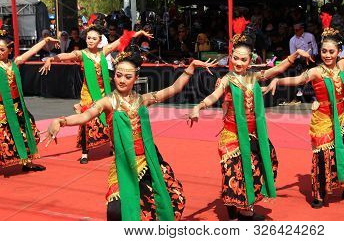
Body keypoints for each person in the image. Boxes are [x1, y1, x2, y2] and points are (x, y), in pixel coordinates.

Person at [44, 42, 217, 221]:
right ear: (113, 77)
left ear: (136, 78)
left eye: (128, 76)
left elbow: (173, 89)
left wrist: (191, 67)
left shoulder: (142, 100)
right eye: (119, 75)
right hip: (124, 164)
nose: (122, 80)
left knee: (166, 201)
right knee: (117, 210)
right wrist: (61, 121)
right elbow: (86, 116)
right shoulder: (107, 102)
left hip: (147, 160)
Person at [188, 17, 313, 220]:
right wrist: (199, 106)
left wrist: (296, 54)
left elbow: (277, 70)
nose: (238, 62)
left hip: (253, 134)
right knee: (237, 169)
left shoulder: (253, 77)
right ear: (231, 57)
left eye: (243, 59)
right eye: (235, 58)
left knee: (266, 161)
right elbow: (214, 96)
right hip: (232, 135)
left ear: (250, 60)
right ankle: (244, 209)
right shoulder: (227, 79)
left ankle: (236, 202)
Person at [264, 12, 344, 208]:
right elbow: (297, 80)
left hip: (343, 118)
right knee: (324, 157)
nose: (327, 55)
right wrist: (277, 80)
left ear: (338, 51)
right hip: (323, 120)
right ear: (320, 52)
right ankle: (319, 194)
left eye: (331, 52)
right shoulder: (316, 71)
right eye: (324, 51)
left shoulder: (341, 66)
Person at [39, 25, 152, 164]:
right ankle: (85, 152)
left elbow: (122, 40)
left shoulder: (103, 52)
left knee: (111, 118)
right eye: (88, 38)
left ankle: (113, 145)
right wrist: (52, 59)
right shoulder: (82, 54)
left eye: (93, 38)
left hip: (104, 91)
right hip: (88, 92)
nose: (90, 40)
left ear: (99, 40)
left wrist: (139, 32)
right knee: (86, 121)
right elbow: (66, 55)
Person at [0, 33, 59, 171]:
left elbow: (31, 51)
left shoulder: (14, 63)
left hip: (17, 105)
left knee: (28, 131)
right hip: (2, 108)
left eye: (2, 49)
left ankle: (27, 163)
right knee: (4, 136)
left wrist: (45, 40)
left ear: (9, 50)